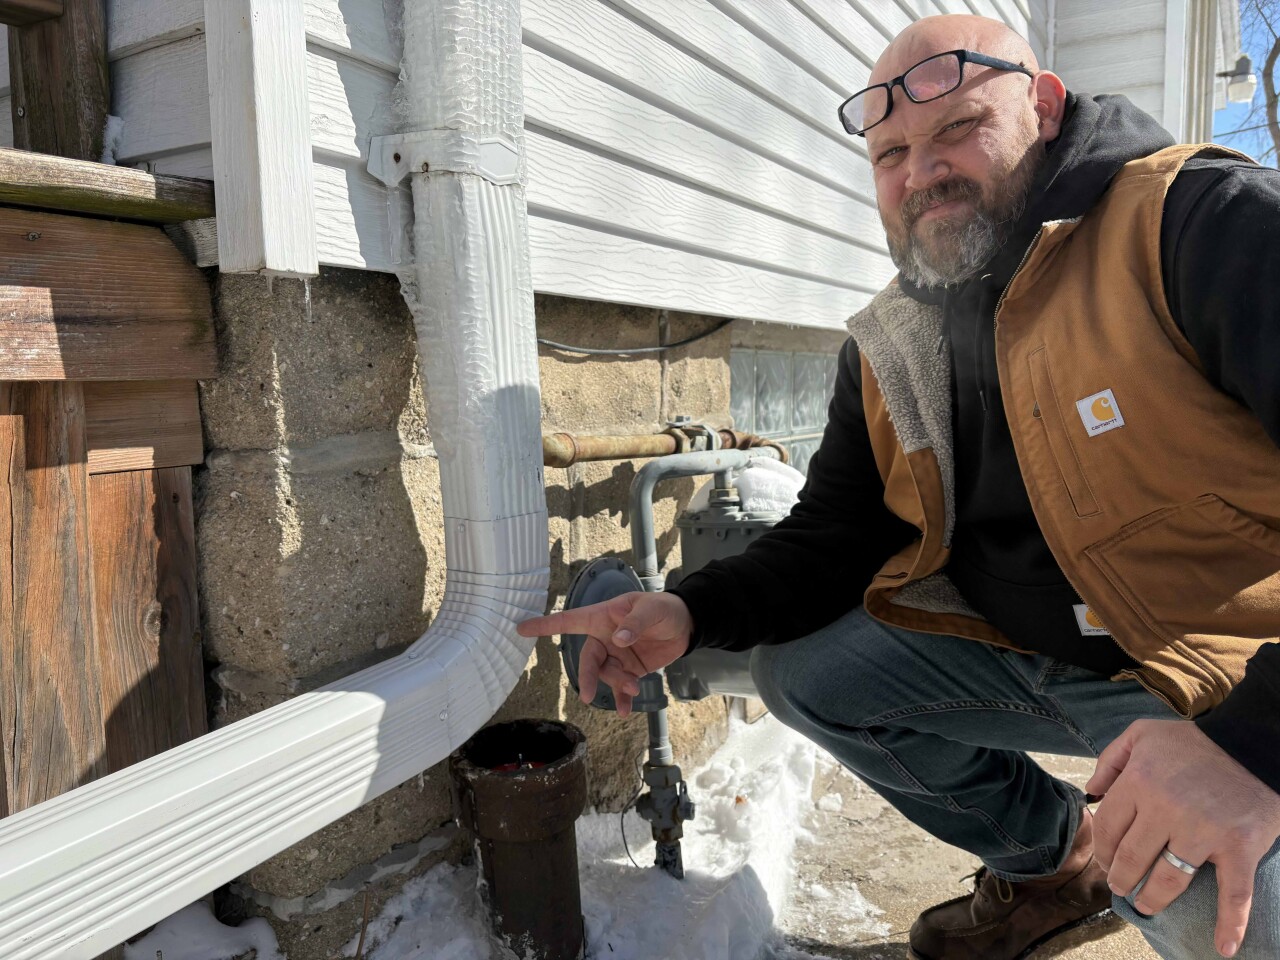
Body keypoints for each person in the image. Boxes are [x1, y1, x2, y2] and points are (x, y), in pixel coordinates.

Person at [518, 13, 1280, 960]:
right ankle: (1058, 861)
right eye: (891, 154)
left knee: (1216, 910)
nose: (922, 172)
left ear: (1042, 107)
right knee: (803, 675)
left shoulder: (1198, 222)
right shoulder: (890, 343)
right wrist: (690, 612)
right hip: (1042, 664)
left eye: (957, 129)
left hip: (1226, 677)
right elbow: (832, 537)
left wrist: (1252, 748)